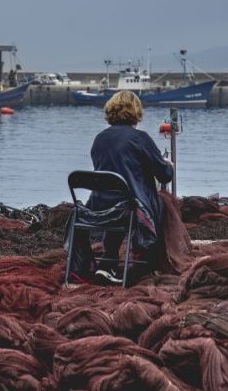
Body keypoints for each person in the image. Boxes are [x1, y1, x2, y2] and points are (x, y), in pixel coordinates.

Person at [67, 90, 173, 285]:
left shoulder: (100, 138)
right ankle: (149, 262)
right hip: (127, 211)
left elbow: (109, 170)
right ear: (136, 112)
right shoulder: (140, 138)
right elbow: (165, 175)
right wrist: (166, 164)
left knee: (121, 196)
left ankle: (108, 262)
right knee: (160, 203)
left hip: (98, 208)